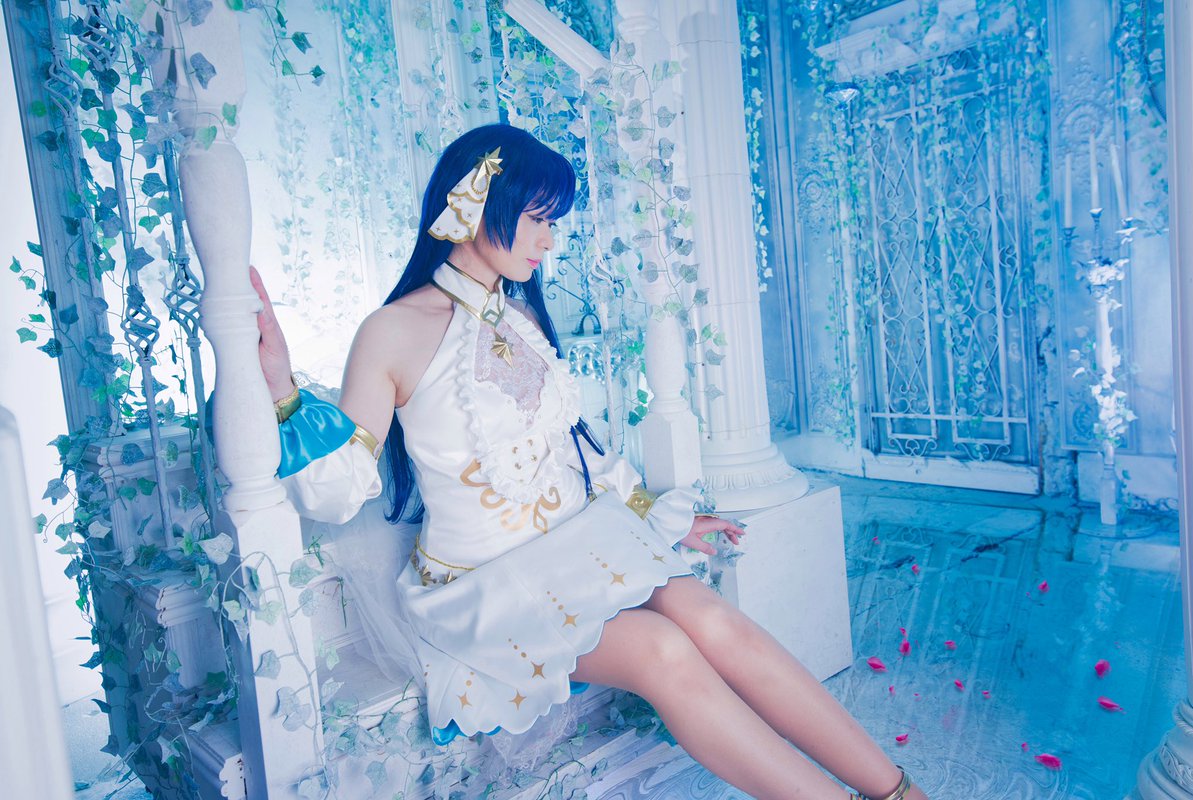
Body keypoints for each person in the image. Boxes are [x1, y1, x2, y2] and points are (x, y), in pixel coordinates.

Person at [252, 123, 927, 800]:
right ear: (475, 204)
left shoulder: (522, 316)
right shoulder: (391, 331)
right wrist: (281, 389)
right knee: (664, 650)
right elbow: (339, 491)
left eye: (553, 222)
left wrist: (658, 516)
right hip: (482, 587)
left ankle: (899, 791)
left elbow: (574, 447)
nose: (549, 240)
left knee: (711, 616)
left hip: (571, 546)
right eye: (537, 218)